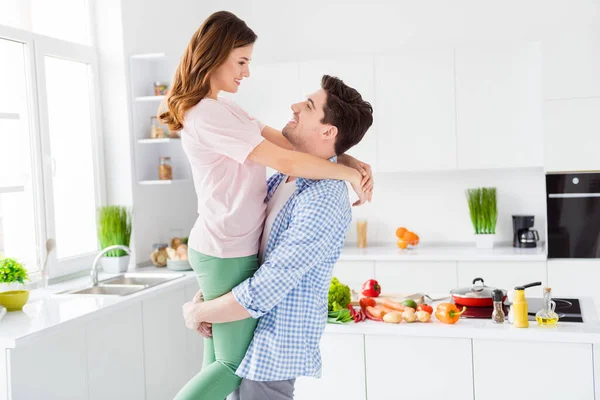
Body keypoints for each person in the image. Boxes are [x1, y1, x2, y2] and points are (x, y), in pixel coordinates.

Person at [160, 11, 373, 400]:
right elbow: (289, 154)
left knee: (218, 369)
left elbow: (267, 285)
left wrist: (345, 163)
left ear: (327, 130)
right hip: (239, 293)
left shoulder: (321, 197)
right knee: (219, 371)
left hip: (273, 348)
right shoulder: (278, 176)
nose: (294, 105)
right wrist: (342, 165)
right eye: (242, 62)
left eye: (307, 105)